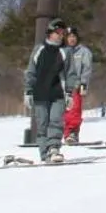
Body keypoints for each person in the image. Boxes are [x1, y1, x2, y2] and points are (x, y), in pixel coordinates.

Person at [25, 19, 72, 162]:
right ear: (50, 33)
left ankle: (54, 148)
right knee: (42, 123)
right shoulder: (39, 50)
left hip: (58, 93)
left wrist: (70, 93)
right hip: (40, 93)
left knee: (56, 121)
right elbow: (31, 71)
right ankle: (44, 152)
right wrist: (28, 91)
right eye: (57, 32)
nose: (59, 36)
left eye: (62, 33)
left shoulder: (64, 52)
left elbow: (70, 73)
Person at [61, 26, 94, 145]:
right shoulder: (62, 51)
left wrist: (84, 83)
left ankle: (72, 132)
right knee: (62, 111)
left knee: (74, 110)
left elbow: (87, 68)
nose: (72, 39)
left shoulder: (83, 52)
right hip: (62, 86)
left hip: (76, 85)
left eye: (73, 37)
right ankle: (65, 134)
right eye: (69, 37)